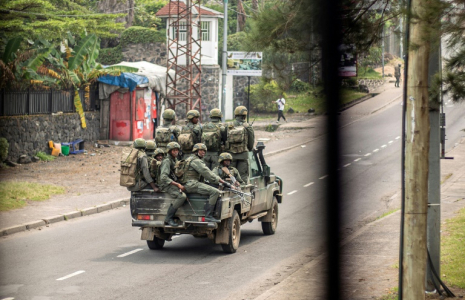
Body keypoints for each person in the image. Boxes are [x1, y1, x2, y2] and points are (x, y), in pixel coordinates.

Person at [178, 143, 233, 223]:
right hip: (192, 184)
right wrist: (224, 182)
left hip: (188, 183)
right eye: (201, 150)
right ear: (196, 151)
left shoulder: (189, 158)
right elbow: (208, 174)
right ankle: (208, 216)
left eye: (204, 151)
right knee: (215, 192)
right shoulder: (196, 161)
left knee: (211, 187)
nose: (203, 152)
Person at [158, 142, 187, 226]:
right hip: (165, 185)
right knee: (181, 196)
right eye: (174, 150)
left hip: (171, 183)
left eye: (177, 150)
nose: (176, 152)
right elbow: (163, 177)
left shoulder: (174, 160)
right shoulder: (167, 161)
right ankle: (168, 218)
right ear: (169, 151)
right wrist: (177, 185)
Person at [225, 105, 254, 183]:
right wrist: (248, 149)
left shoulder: (228, 125)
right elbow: (251, 144)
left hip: (230, 156)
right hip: (243, 155)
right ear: (245, 116)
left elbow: (224, 139)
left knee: (230, 176)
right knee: (242, 176)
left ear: (235, 115)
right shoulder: (248, 126)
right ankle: (243, 192)